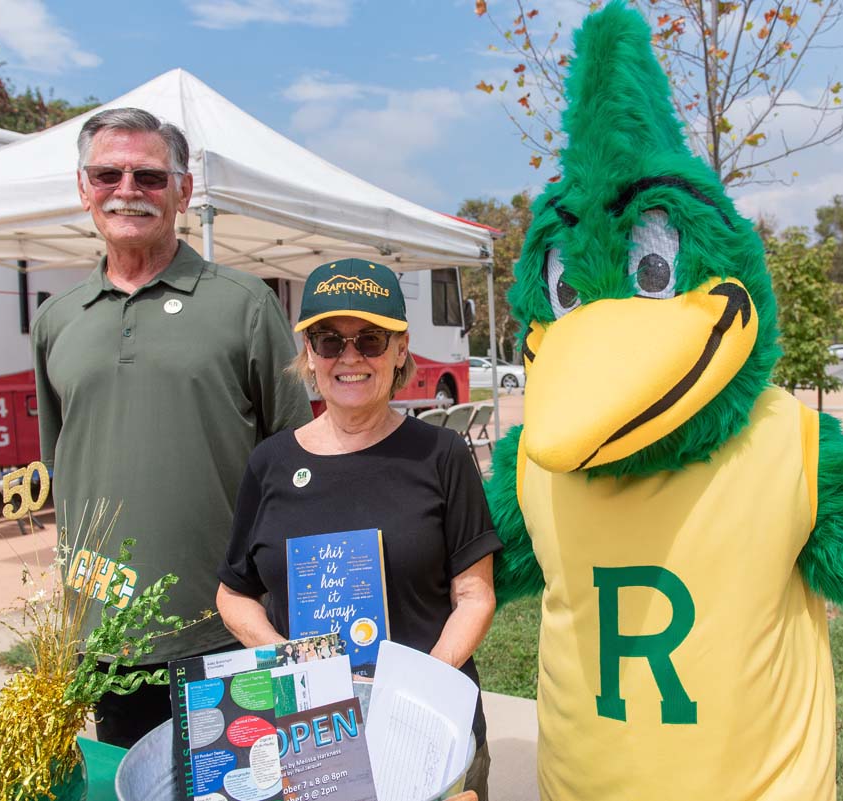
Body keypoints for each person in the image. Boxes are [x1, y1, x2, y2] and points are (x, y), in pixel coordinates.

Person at [32, 107, 313, 747]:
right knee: (131, 782)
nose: (127, 190)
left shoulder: (246, 305)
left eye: (150, 177)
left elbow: (296, 463)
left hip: (228, 624)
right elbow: (64, 467)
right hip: (106, 632)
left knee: (243, 782)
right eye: (107, 174)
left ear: (183, 192)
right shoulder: (56, 321)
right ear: (83, 189)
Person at [217, 258, 500, 799]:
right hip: (313, 739)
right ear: (308, 353)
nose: (350, 358)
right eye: (329, 341)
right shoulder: (270, 464)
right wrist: (290, 664)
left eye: (370, 340)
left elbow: (474, 596)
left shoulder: (441, 455)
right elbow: (234, 594)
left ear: (400, 349)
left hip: (429, 732)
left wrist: (414, 691)